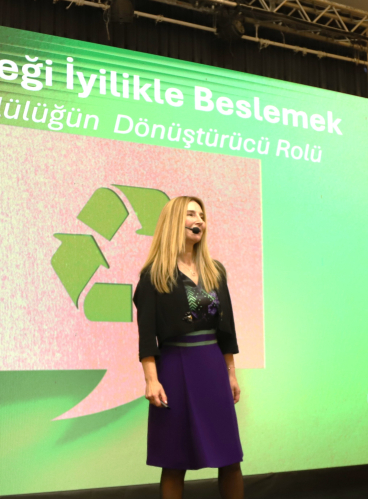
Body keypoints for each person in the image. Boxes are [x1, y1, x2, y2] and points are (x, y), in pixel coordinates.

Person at [133, 196, 244, 499]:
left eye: (202, 216)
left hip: (212, 366)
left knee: (230, 456)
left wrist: (231, 372)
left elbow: (227, 329)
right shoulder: (153, 275)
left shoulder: (215, 271)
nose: (199, 221)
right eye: (191, 214)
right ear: (174, 222)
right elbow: (147, 336)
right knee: (174, 460)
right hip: (174, 369)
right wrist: (151, 380)